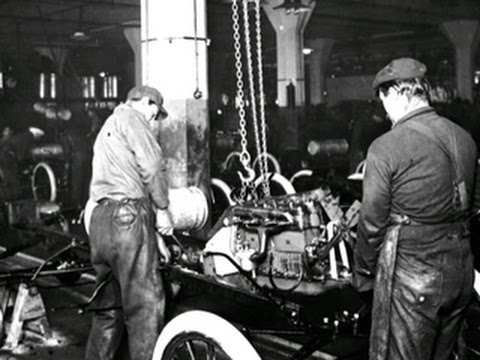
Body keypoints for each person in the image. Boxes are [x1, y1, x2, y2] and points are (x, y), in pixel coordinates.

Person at [353, 58, 477, 360]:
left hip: (414, 278)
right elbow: (474, 204)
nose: (385, 112)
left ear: (396, 93)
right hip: (461, 271)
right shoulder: (465, 139)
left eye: (384, 101)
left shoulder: (385, 146)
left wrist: (364, 273)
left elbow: (372, 222)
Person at [85, 85, 173, 360]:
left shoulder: (107, 127)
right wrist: (163, 209)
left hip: (99, 222)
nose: (153, 121)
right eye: (155, 113)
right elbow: (151, 166)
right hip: (128, 218)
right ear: (147, 103)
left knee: (107, 311)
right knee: (144, 308)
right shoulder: (133, 120)